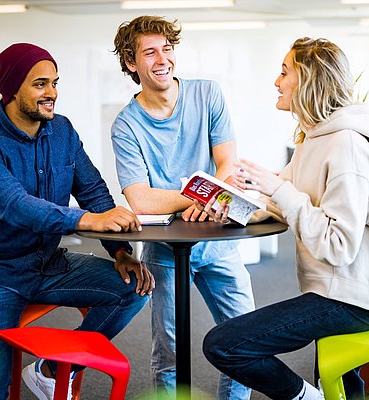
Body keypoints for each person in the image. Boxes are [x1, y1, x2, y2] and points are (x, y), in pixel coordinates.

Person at [200, 37, 369, 400]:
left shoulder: (346, 147)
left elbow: (338, 246)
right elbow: (282, 203)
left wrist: (278, 190)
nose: (276, 81)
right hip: (329, 290)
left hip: (351, 298)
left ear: (308, 80)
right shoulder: (312, 140)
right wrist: (235, 206)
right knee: (338, 380)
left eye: (284, 71)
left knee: (223, 344)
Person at [0, 43, 155, 400]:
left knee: (133, 286)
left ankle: (50, 372)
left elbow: (94, 191)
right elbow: (16, 206)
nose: (51, 93)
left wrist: (120, 252)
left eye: (55, 82)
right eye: (40, 84)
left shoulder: (62, 131)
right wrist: (89, 220)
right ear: (11, 89)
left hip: (48, 265)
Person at [111, 16, 254, 399]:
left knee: (245, 341)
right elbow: (140, 199)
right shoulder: (126, 125)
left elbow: (227, 162)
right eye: (150, 52)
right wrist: (203, 195)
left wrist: (207, 192)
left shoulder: (207, 94)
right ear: (130, 62)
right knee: (171, 352)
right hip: (167, 249)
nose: (162, 59)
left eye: (167, 49)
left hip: (219, 242)